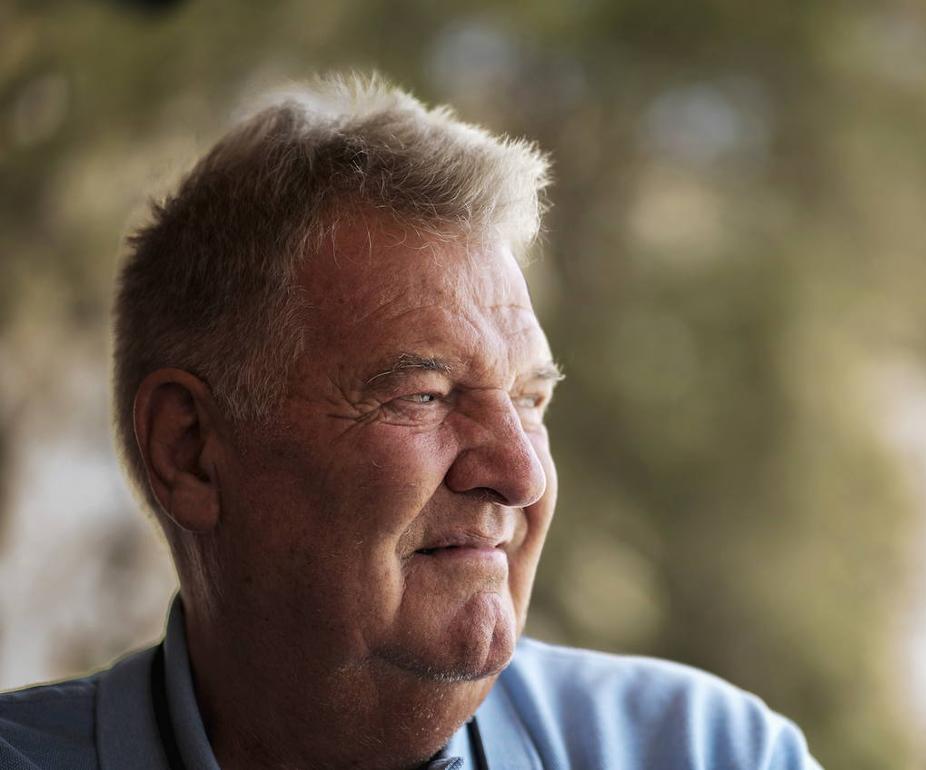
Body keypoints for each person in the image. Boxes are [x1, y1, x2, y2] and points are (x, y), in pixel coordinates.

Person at [0, 72, 821, 770]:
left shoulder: (708, 751)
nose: (521, 471)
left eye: (531, 400)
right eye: (423, 395)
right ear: (191, 453)